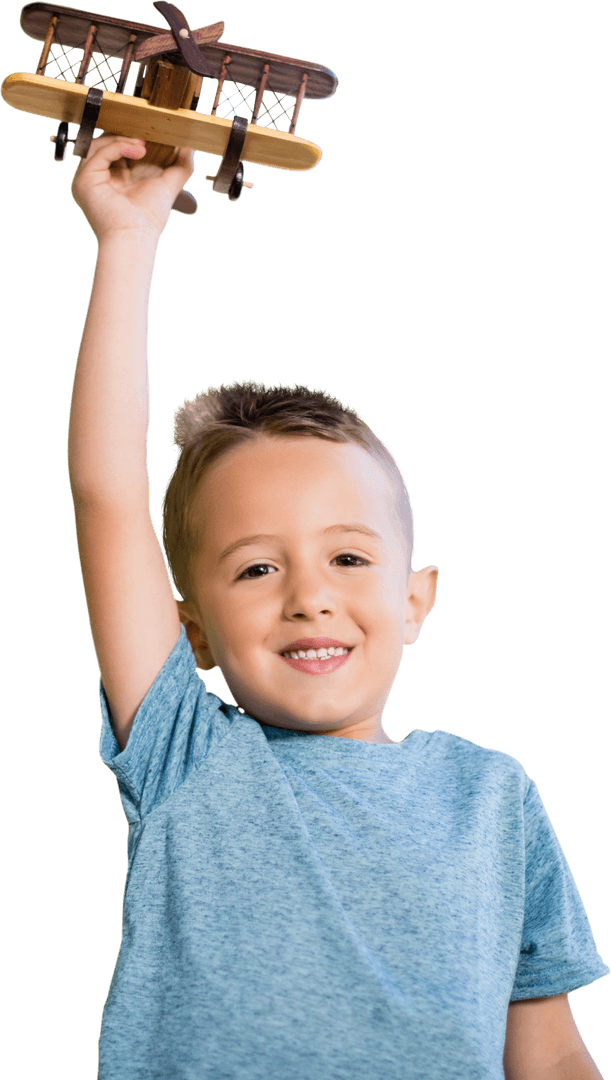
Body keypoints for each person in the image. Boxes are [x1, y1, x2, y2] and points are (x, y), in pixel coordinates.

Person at [68, 134, 608, 1080]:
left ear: (414, 599)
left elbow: (550, 1053)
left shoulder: (492, 799)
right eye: (255, 570)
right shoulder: (186, 758)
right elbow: (108, 492)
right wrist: (128, 238)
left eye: (348, 558)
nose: (309, 596)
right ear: (192, 630)